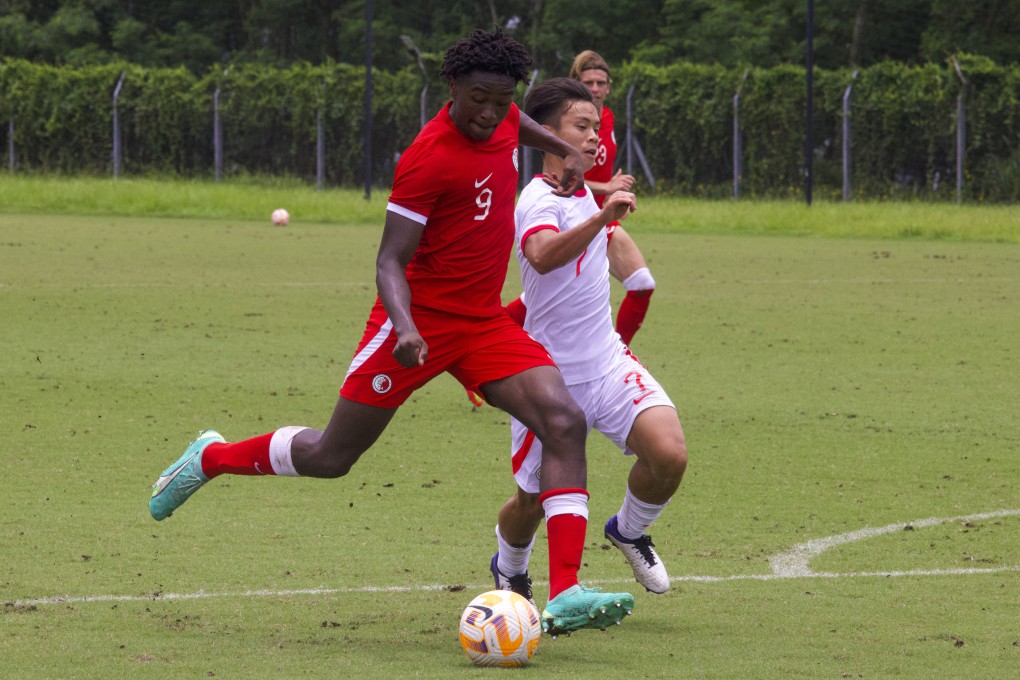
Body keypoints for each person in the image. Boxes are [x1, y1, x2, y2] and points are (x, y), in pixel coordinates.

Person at [147, 29, 633, 636]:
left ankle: (565, 593)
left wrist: (574, 165)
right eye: (477, 98)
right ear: (452, 87)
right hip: (417, 324)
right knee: (332, 456)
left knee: (563, 420)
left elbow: (520, 126)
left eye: (500, 100)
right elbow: (388, 262)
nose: (488, 113)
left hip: (481, 322)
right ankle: (211, 458)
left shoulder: (503, 113)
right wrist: (404, 327)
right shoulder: (428, 158)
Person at [488, 77, 688, 602]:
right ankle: (509, 565)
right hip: (549, 378)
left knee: (669, 455)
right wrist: (604, 216)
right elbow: (541, 254)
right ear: (547, 136)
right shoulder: (537, 199)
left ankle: (628, 529)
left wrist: (603, 205)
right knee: (530, 503)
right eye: (581, 126)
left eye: (597, 127)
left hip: (606, 363)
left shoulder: (582, 191)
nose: (595, 137)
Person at [504, 50, 656, 347]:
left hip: (595, 212)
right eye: (589, 82)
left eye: (602, 82)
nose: (596, 88)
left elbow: (586, 172)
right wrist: (608, 189)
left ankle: (613, 355)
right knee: (549, 295)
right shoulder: (541, 191)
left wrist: (609, 198)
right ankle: (490, 348)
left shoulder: (606, 119)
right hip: (585, 215)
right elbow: (569, 172)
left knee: (636, 285)